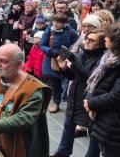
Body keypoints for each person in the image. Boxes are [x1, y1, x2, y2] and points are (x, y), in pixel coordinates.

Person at [51, 29, 106, 157]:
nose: (86, 41)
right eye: (86, 38)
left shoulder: (102, 59)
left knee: (94, 132)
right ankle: (62, 153)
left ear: (101, 44)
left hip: (90, 99)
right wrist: (63, 69)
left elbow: (90, 77)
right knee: (68, 124)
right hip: (75, 96)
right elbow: (73, 76)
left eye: (92, 40)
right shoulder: (83, 53)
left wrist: (73, 60)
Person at [83, 23, 120, 157]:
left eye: (108, 36)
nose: (105, 38)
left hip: (113, 123)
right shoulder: (109, 58)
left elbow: (116, 96)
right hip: (103, 117)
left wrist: (91, 103)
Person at [40, 13, 79, 113]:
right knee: (55, 82)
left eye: (58, 22)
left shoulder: (71, 32)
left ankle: (72, 102)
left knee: (70, 81)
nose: (55, 24)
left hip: (66, 59)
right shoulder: (49, 30)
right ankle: (56, 102)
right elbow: (42, 45)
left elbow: (77, 43)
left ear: (64, 23)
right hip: (52, 59)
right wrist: (50, 51)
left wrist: (68, 52)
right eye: (54, 21)